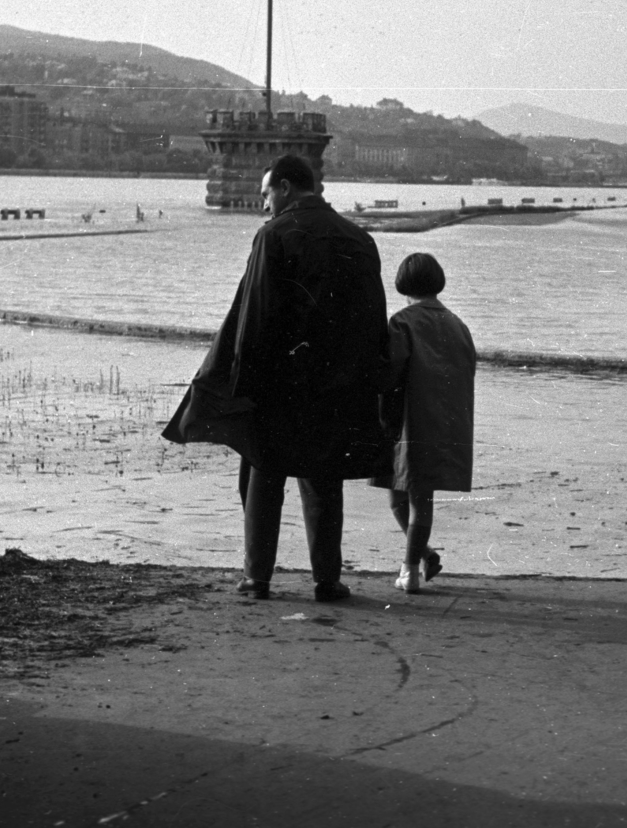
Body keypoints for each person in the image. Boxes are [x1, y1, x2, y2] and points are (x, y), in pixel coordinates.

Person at [161, 154, 389, 603]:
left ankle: (257, 578)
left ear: (284, 187)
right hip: (336, 384)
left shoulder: (274, 235)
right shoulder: (360, 238)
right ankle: (328, 580)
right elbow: (372, 321)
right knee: (324, 479)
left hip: (280, 382)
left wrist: (242, 387)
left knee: (263, 475)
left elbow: (255, 317)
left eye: (266, 194)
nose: (264, 205)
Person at [371, 252, 475, 594]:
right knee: (414, 498)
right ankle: (423, 556)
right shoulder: (458, 324)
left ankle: (410, 571)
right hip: (447, 421)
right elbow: (467, 371)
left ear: (403, 284)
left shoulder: (402, 321)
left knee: (406, 499)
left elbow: (389, 374)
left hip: (409, 422)